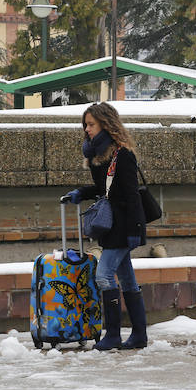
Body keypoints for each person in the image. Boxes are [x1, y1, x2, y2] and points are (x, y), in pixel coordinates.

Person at [65, 102, 148, 350]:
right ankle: (139, 335)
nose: (87, 130)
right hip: (112, 226)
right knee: (128, 281)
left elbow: (132, 195)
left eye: (91, 124)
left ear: (106, 124)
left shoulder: (122, 155)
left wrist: (134, 230)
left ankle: (112, 334)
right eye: (85, 125)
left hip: (125, 226)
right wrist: (81, 192)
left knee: (103, 275)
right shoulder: (98, 156)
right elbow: (105, 191)